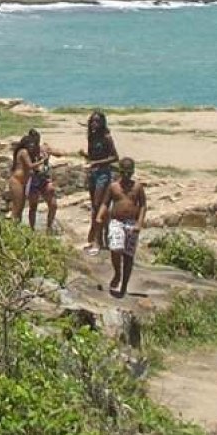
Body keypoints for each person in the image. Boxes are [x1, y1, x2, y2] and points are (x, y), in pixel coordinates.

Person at [105, 158, 146, 299]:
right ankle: (117, 273)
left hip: (131, 224)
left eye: (129, 173)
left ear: (133, 171)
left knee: (128, 256)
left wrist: (139, 223)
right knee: (115, 248)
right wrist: (99, 217)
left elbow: (143, 205)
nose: (127, 175)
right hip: (116, 221)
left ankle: (124, 286)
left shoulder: (138, 187)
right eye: (124, 173)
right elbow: (106, 203)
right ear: (120, 172)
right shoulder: (113, 186)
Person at [82, 111, 118, 253]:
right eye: (92, 121)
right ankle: (101, 237)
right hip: (93, 173)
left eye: (97, 121)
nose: (94, 124)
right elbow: (92, 156)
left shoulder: (106, 137)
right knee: (95, 207)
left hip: (103, 173)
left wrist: (96, 162)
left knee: (99, 205)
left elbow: (115, 157)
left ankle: (98, 239)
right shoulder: (92, 137)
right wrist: (86, 156)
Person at [25, 134, 57, 232]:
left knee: (53, 204)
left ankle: (49, 226)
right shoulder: (27, 152)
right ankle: (32, 229)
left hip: (44, 178)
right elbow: (29, 166)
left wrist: (49, 153)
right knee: (33, 206)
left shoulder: (44, 149)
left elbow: (56, 153)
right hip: (34, 179)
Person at [8, 130, 39, 221]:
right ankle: (12, 227)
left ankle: (17, 227)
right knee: (17, 207)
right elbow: (30, 166)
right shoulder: (23, 152)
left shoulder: (28, 153)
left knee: (21, 207)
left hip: (23, 182)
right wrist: (42, 161)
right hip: (17, 181)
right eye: (31, 144)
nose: (32, 146)